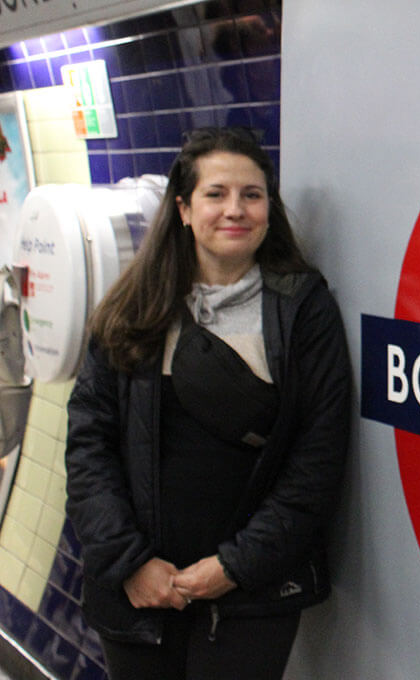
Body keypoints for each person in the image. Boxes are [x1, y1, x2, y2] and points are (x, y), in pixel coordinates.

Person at [65, 127, 352, 680]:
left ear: (270, 206)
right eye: (216, 194)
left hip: (252, 594)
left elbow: (316, 460)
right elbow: (88, 447)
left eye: (252, 194)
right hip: (137, 595)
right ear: (184, 208)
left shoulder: (302, 311)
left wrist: (234, 566)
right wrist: (129, 563)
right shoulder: (133, 309)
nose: (235, 210)